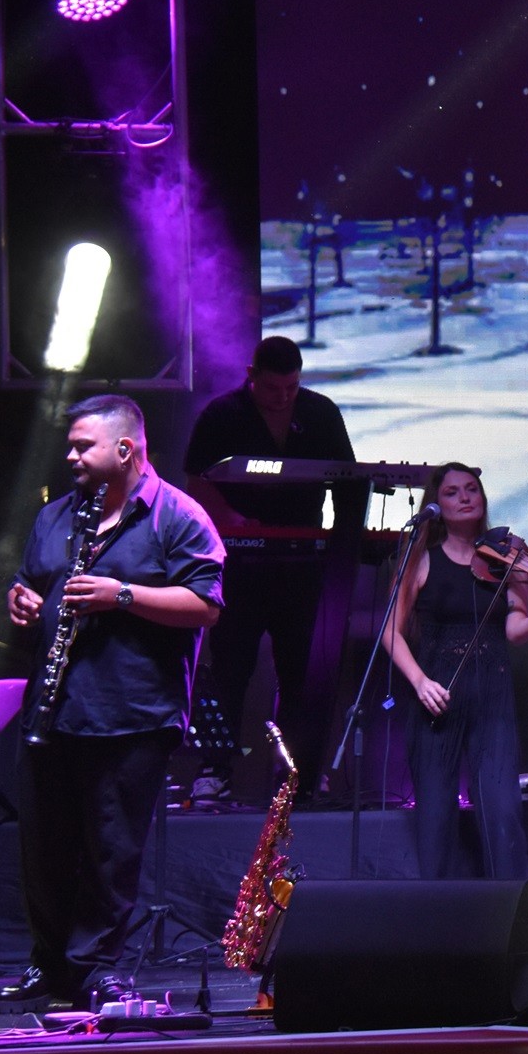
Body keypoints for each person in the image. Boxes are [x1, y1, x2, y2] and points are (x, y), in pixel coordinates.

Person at [1, 396, 225, 1009]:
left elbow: (206, 605)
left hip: (132, 713)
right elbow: (32, 581)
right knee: (44, 847)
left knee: (110, 852)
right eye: (70, 445)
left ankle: (96, 967)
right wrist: (22, 598)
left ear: (125, 450)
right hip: (54, 709)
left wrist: (121, 594)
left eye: (83, 446)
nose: (71, 455)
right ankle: (50, 965)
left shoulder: (177, 516)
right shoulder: (57, 515)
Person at [381, 463, 528, 879]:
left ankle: (509, 908)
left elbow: (515, 631)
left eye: (472, 489)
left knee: (502, 810)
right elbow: (390, 632)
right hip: (436, 694)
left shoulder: (509, 557)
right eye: (452, 492)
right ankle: (436, 911)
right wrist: (419, 681)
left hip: (492, 690)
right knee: (435, 817)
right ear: (437, 504)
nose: (464, 497)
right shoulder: (421, 559)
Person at [183, 334, 359, 805]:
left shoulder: (320, 412)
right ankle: (214, 770)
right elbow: (196, 480)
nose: (283, 397)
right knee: (229, 669)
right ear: (251, 376)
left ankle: (300, 773)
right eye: (272, 388)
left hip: (303, 565)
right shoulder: (222, 415)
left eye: (291, 388)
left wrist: (343, 540)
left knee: (302, 671)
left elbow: (350, 481)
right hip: (238, 563)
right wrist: (232, 519)